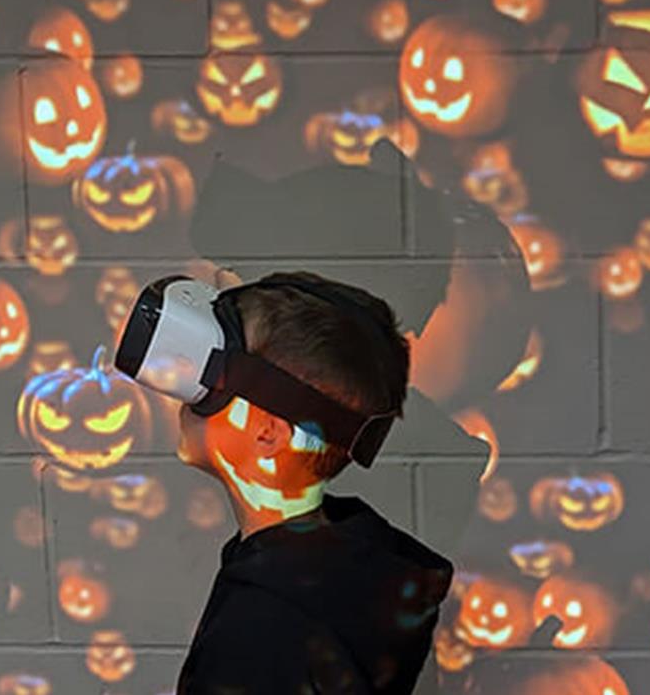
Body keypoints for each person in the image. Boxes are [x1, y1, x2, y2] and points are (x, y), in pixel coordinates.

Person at [162, 269, 454, 695]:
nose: (192, 387)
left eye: (216, 368)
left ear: (267, 432)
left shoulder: (264, 628)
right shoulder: (340, 567)